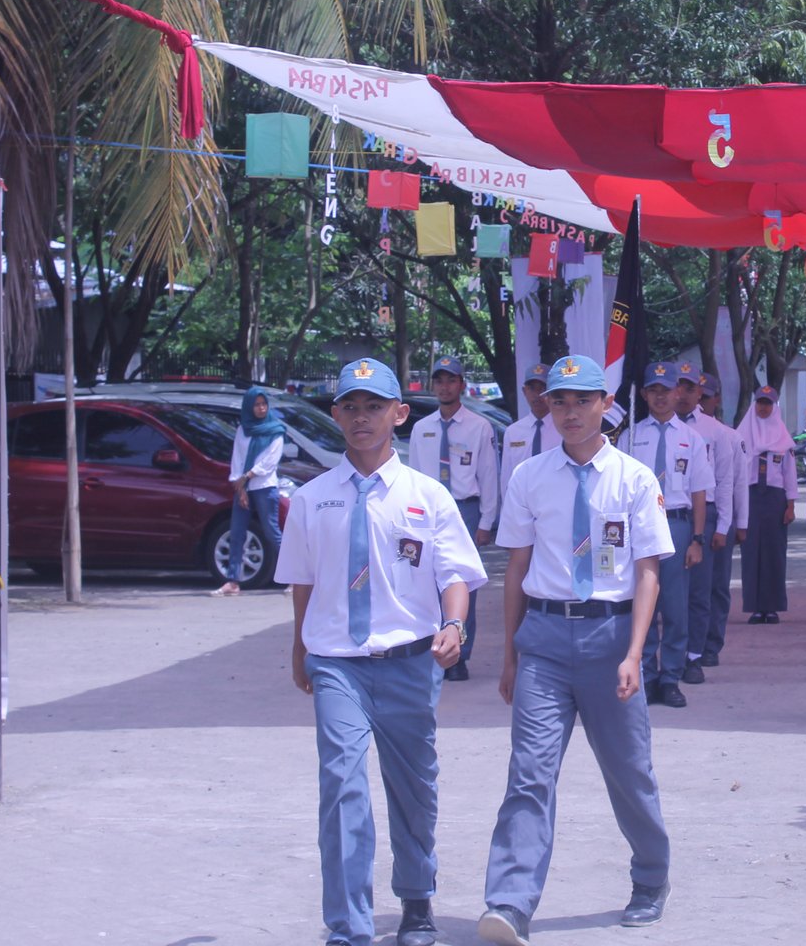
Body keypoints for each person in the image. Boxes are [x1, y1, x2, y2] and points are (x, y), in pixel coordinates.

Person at [275, 357, 487, 946]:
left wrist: (454, 625)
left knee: (414, 786)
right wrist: (300, 649)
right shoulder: (313, 499)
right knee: (341, 785)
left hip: (410, 662)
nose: (361, 418)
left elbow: (455, 574)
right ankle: (349, 927)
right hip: (336, 661)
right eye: (350, 406)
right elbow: (304, 582)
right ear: (335, 414)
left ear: (399, 413)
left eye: (374, 407)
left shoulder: (428, 496)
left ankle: (417, 902)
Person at [479, 354, 674, 946]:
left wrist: (635, 653)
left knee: (629, 772)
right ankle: (509, 903)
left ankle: (650, 878)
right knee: (529, 776)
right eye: (558, 401)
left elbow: (647, 574)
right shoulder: (528, 477)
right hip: (543, 641)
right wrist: (511, 655)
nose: (569, 412)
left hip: (610, 638)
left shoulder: (635, 479)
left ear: (604, 406)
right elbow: (515, 568)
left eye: (582, 400)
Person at [625, 361, 713, 707]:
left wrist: (697, 538)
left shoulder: (691, 439)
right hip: (641, 525)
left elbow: (700, 492)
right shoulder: (632, 436)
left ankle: (671, 677)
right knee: (644, 603)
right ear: (645, 395)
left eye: (667, 390)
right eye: (654, 391)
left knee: (676, 607)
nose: (661, 397)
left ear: (679, 392)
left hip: (677, 524)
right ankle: (646, 673)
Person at [408, 355, 499, 681]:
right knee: (424, 581)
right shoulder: (422, 428)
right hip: (429, 509)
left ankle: (459, 654)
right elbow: (415, 475)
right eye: (439, 381)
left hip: (465, 508)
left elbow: (489, 476)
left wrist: (486, 522)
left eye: (451, 380)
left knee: (464, 584)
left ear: (462, 384)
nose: (445, 387)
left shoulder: (479, 427)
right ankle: (429, 650)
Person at [671, 362, 733, 681]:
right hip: (664, 513)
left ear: (700, 392)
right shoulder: (647, 429)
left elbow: (724, 480)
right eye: (678, 386)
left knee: (699, 591)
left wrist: (722, 526)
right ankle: (669, 654)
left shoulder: (714, 431)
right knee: (665, 591)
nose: (682, 394)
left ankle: (694, 653)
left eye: (690, 388)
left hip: (702, 514)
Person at [212, 386, 285, 596]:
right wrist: (240, 485)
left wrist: (248, 476)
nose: (261, 409)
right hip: (243, 487)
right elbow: (238, 459)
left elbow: (269, 462)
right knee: (237, 532)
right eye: (256, 405)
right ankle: (232, 581)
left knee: (272, 532)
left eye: (264, 404)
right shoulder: (243, 429)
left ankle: (297, 577)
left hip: (264, 486)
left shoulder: (275, 430)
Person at [698, 373, 749, 665]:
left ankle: (711, 644)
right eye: (697, 394)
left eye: (706, 396)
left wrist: (740, 524)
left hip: (721, 518)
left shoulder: (729, 436)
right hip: (695, 518)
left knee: (717, 586)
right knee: (694, 588)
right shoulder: (682, 431)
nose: (700, 401)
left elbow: (738, 484)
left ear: (716, 400)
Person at [737, 386, 798, 624]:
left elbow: (789, 475)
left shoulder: (783, 440)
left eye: (768, 403)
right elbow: (736, 474)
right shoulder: (742, 436)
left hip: (775, 499)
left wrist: (790, 505)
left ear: (775, 407)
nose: (763, 407)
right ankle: (754, 607)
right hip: (750, 497)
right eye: (760, 402)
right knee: (751, 552)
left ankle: (771, 607)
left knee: (774, 552)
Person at [499, 362, 561, 500]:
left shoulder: (562, 429)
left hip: (554, 500)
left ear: (552, 392)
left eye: (542, 388)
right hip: (522, 503)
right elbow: (506, 477)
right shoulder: (513, 432)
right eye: (531, 388)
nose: (537, 394)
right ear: (524, 391)